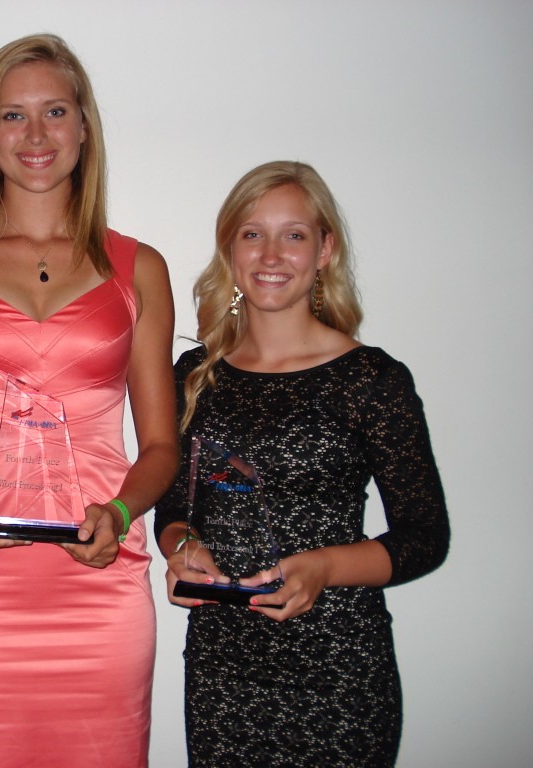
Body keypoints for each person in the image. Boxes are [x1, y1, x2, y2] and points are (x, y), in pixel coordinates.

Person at [0, 34, 178, 768]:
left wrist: (118, 513)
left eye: (54, 111)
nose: (35, 135)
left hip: (101, 578)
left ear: (84, 127)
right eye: (11, 115)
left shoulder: (141, 268)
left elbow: (161, 449)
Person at [154, 161, 450, 767]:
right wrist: (180, 548)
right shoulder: (193, 377)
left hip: (339, 668)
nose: (271, 253)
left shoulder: (372, 380)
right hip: (222, 669)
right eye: (252, 233)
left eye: (294, 234)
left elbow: (426, 537)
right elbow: (175, 506)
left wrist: (321, 568)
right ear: (229, 249)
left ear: (325, 250)